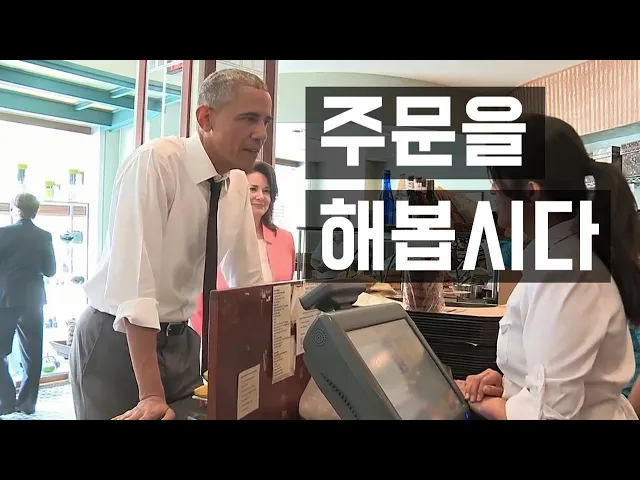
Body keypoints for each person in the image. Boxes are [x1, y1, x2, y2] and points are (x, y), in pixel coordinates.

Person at [69, 68, 270, 420]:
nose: (261, 133)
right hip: (117, 338)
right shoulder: (157, 162)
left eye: (265, 121)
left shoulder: (237, 183)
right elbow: (135, 285)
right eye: (248, 119)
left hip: (180, 339)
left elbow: (250, 281)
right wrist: (150, 393)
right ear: (206, 118)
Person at [458, 113, 640, 420]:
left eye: (497, 184)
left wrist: (477, 401)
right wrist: (510, 385)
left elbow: (549, 415)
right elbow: (562, 377)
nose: (494, 194)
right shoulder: (558, 259)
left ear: (531, 191)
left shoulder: (568, 273)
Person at [190, 160, 296, 336]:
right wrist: (209, 343)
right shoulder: (216, 235)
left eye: (266, 191)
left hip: (273, 335)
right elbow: (197, 303)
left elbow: (288, 297)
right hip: (225, 335)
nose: (260, 196)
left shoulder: (285, 239)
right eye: (252, 189)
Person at [0, 193, 56, 415]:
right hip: (33, 300)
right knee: (33, 355)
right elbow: (50, 270)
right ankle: (27, 403)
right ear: (35, 211)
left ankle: (6, 401)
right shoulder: (44, 236)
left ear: (16, 209)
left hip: (6, 300)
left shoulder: (3, 233)